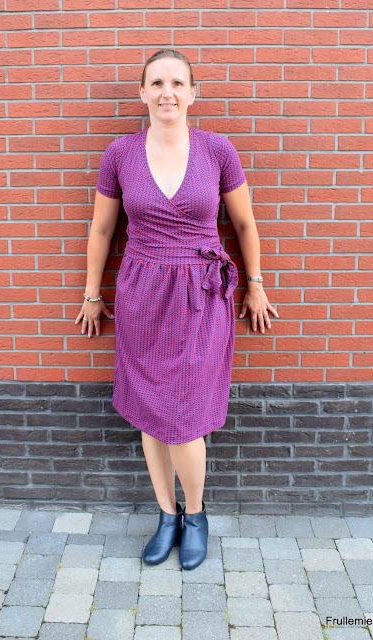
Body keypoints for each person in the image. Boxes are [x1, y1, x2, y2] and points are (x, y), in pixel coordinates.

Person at [75, 49, 279, 571]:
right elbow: (102, 229)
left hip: (201, 295)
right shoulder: (120, 154)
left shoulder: (217, 150)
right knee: (151, 409)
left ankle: (196, 514)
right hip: (142, 294)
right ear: (142, 93)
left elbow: (245, 224)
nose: (167, 92)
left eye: (178, 83)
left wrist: (255, 284)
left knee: (185, 414)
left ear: (192, 93)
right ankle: (166, 515)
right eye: (157, 83)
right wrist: (92, 294)